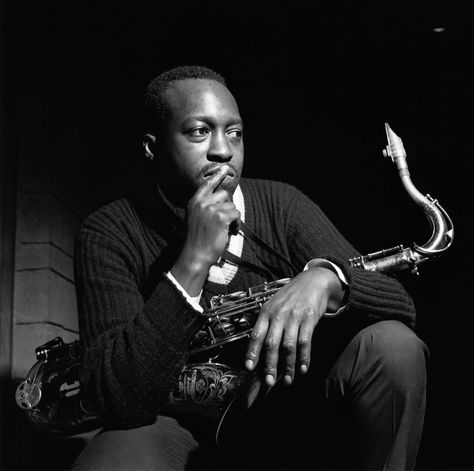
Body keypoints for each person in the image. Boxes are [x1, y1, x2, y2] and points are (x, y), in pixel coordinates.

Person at [72, 65, 428, 471]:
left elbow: (401, 305)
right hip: (170, 422)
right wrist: (193, 260)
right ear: (153, 147)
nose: (223, 150)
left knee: (394, 347)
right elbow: (117, 397)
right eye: (199, 132)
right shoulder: (110, 231)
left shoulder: (282, 204)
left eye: (234, 133)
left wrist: (328, 278)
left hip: (281, 407)